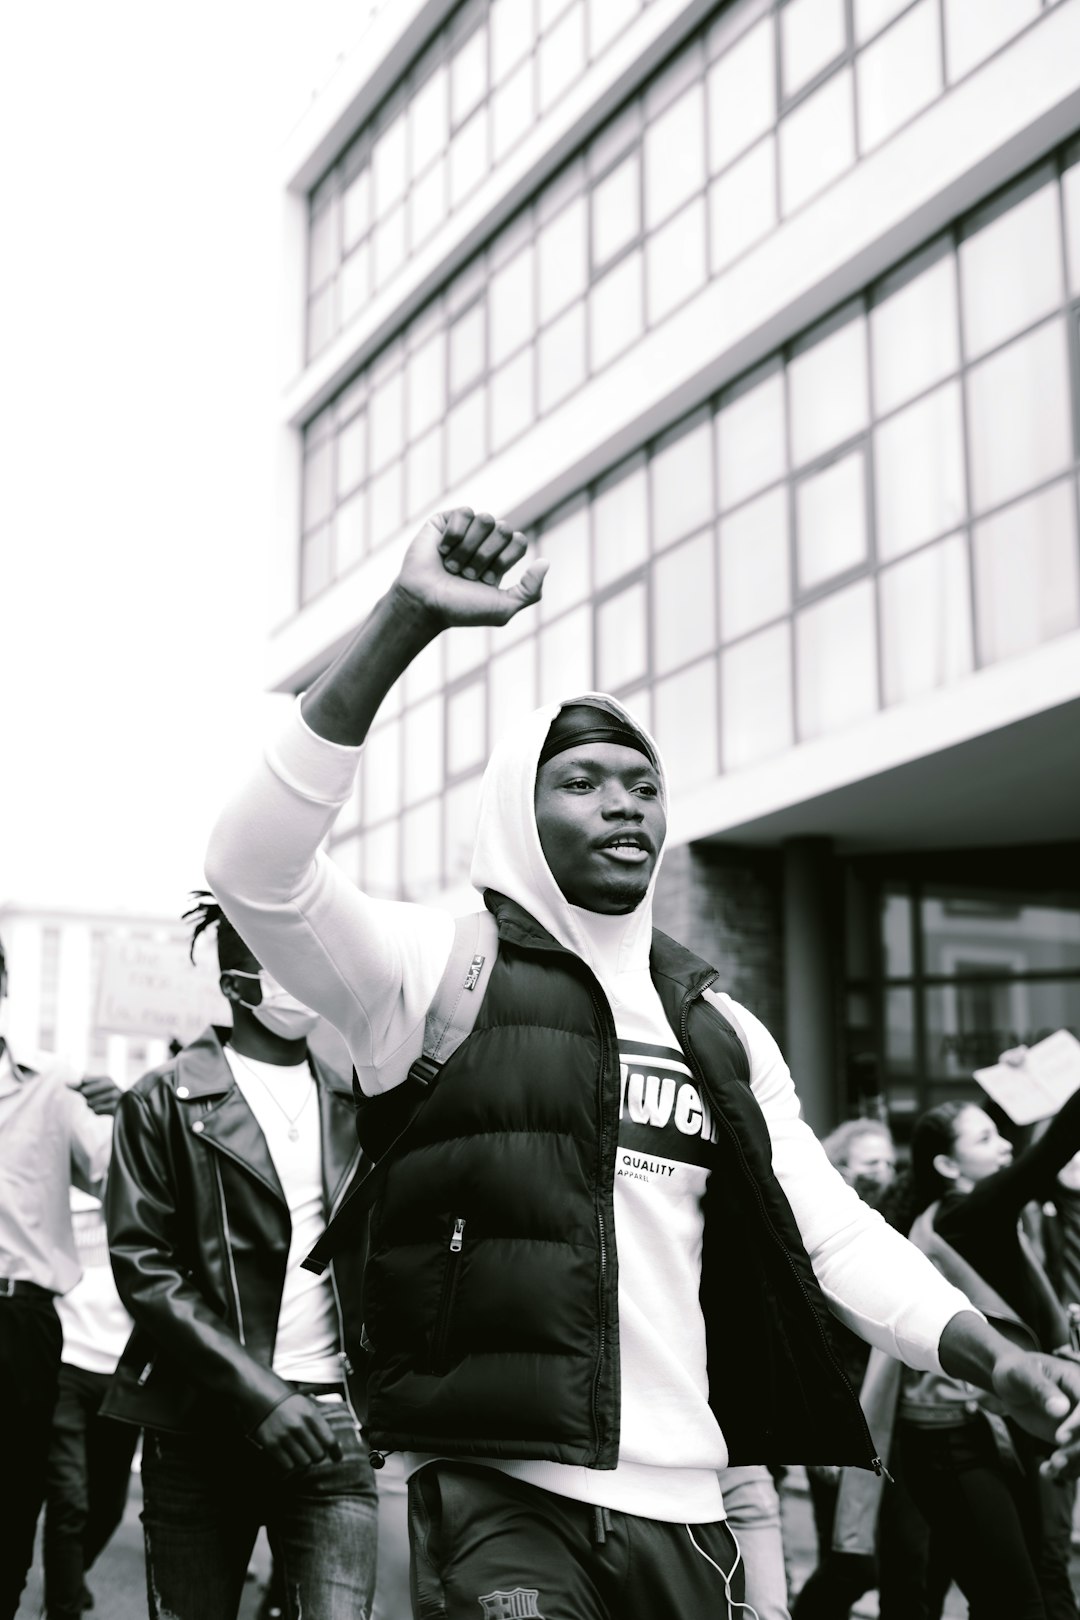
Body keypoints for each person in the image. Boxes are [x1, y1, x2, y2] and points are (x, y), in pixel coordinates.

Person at [206, 507, 1080, 1620]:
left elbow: (833, 1230)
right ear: (515, 817)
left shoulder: (719, 1026)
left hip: (691, 1502)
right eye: (581, 780)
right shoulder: (431, 969)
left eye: (643, 783)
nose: (623, 801)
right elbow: (254, 868)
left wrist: (989, 1358)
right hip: (493, 1497)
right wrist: (407, 619)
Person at [102, 896, 377, 1620]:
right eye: (282, 962)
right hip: (201, 1426)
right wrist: (261, 1395)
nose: (305, 977)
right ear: (235, 987)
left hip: (331, 1423)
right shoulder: (162, 1100)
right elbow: (144, 1268)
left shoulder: (354, 1101)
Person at [837, 1087, 1080, 1620]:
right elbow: (1052, 1153)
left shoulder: (959, 1219)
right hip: (954, 1437)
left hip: (981, 1432)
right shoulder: (965, 1218)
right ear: (947, 1164)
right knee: (1017, 1600)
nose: (1005, 1148)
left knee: (987, 1590)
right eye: (986, 1137)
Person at [0, 936, 116, 1620]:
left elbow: (124, 1181)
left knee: (15, 1496)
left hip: (19, 1325)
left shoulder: (50, 1088)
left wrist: (133, 1108)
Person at [42, 1184, 138, 1620]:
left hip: (124, 1374)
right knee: (69, 1500)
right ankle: (61, 1608)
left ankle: (70, 1576)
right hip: (63, 1364)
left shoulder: (141, 1190)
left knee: (109, 1507)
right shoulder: (52, 1190)